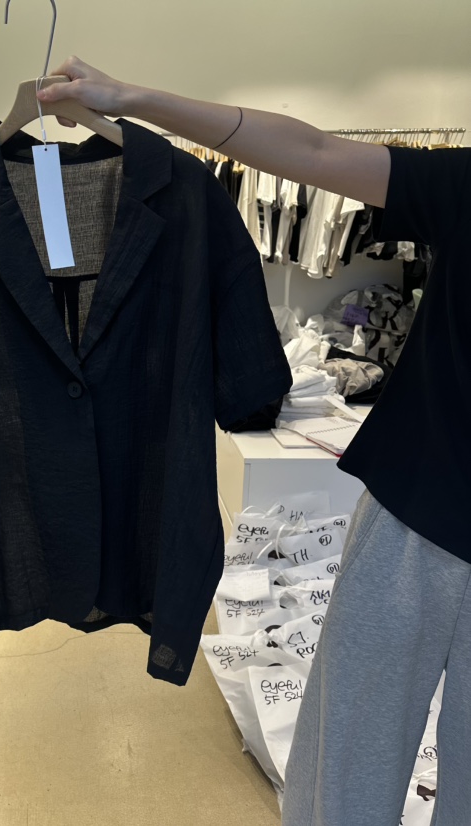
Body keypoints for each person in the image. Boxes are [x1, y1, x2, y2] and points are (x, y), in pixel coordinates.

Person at [39, 57, 471, 826]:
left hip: (417, 505)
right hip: (419, 513)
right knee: (347, 759)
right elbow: (310, 151)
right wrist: (132, 98)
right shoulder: (466, 184)